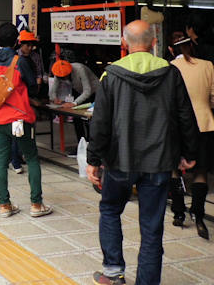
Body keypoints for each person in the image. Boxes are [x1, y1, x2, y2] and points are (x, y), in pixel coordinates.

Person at [87, 20, 198, 285]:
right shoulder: (170, 73)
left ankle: (113, 273)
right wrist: (189, 152)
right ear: (154, 42)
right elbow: (185, 116)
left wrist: (94, 159)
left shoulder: (111, 74)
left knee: (110, 210)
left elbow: (100, 122)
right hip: (159, 162)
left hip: (119, 161)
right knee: (152, 226)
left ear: (124, 43)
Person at [0, 23, 52, 218]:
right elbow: (32, 88)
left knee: (2, 161)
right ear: (16, 41)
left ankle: (4, 204)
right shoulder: (20, 62)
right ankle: (36, 204)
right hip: (20, 117)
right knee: (31, 158)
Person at [168, 32, 214, 240]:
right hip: (203, 125)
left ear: (171, 49)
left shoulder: (168, 68)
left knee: (174, 169)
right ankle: (198, 215)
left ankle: (178, 212)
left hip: (175, 128)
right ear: (191, 46)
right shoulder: (207, 66)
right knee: (201, 171)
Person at [51, 58, 100, 150]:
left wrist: (74, 103)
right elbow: (54, 88)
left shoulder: (80, 69)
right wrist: (54, 98)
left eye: (64, 77)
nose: (62, 79)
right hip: (79, 90)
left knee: (89, 119)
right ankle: (81, 145)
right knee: (77, 119)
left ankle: (91, 146)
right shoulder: (59, 72)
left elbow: (87, 90)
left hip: (93, 92)